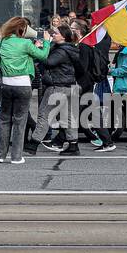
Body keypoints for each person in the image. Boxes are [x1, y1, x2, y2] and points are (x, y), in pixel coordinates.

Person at [0, 16, 50, 164]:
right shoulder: (25, 43)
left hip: (6, 85)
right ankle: (16, 157)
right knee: (20, 121)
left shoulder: (1, 42)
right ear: (21, 29)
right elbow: (43, 56)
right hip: (23, 85)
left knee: (4, 120)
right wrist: (46, 43)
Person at [28, 21, 81, 156]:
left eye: (56, 33)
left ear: (63, 36)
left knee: (44, 115)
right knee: (69, 117)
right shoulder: (68, 48)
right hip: (69, 86)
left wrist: (43, 46)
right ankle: (73, 145)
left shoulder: (62, 51)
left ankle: (33, 144)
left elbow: (48, 62)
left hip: (57, 87)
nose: (53, 35)